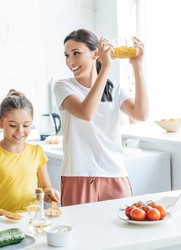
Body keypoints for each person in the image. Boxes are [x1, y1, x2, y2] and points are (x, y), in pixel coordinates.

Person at [53, 29, 148, 206]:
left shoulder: (115, 89)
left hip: (115, 174)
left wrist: (138, 66)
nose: (70, 61)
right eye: (66, 55)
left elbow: (141, 114)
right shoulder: (63, 86)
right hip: (78, 174)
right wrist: (106, 67)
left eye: (76, 53)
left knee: (120, 232)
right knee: (81, 231)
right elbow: (86, 113)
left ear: (95, 54)